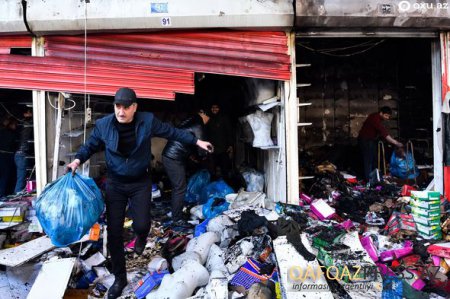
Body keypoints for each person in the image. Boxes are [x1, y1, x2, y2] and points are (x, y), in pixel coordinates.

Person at [66, 87, 213, 299]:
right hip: (115, 184)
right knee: (115, 233)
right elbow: (90, 146)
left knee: (142, 224)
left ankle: (141, 236)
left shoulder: (147, 121)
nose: (121, 111)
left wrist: (196, 141)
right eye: (118, 106)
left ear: (134, 107)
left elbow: (172, 132)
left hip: (140, 183)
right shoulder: (103, 125)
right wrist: (77, 160)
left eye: (126, 107)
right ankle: (120, 278)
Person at [161, 110, 211, 226]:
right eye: (208, 116)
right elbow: (201, 148)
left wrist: (192, 156)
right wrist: (204, 156)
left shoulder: (190, 121)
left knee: (178, 187)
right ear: (203, 113)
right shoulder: (198, 124)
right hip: (173, 157)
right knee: (180, 188)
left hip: (171, 156)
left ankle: (176, 214)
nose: (209, 120)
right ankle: (177, 218)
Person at [358, 106, 403, 181]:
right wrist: (396, 143)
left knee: (372, 160)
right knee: (368, 161)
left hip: (370, 140)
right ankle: (369, 180)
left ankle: (373, 178)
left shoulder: (376, 117)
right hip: (366, 141)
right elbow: (384, 133)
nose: (387, 118)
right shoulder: (375, 118)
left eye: (388, 116)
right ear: (381, 113)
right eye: (386, 115)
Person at [206, 103, 233, 179]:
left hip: (223, 148)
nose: (214, 109)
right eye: (212, 107)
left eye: (216, 107)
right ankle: (213, 184)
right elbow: (205, 133)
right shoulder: (208, 119)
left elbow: (229, 132)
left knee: (224, 168)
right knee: (212, 168)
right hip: (211, 148)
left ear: (220, 108)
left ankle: (225, 184)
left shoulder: (224, 118)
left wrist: (230, 145)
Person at [14, 108, 33, 194]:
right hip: (22, 154)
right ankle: (18, 194)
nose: (31, 114)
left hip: (21, 154)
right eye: (29, 112)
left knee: (23, 176)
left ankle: (19, 193)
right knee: (21, 177)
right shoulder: (25, 124)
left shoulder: (22, 125)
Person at [0, 116, 17, 197]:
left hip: (1, 155)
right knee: (6, 176)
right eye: (14, 125)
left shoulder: (1, 132)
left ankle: (2, 193)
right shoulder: (11, 134)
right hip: (7, 156)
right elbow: (13, 145)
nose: (15, 126)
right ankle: (3, 194)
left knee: (3, 175)